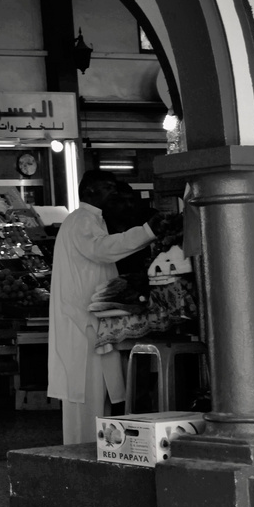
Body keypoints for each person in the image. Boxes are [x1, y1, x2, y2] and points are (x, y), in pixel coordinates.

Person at [48, 171, 157, 445]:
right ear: (91, 191)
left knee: (97, 393)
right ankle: (81, 453)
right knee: (85, 393)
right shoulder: (82, 219)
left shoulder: (91, 219)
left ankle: (95, 450)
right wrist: (148, 232)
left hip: (89, 320)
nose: (115, 193)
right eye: (109, 188)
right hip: (81, 322)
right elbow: (102, 250)